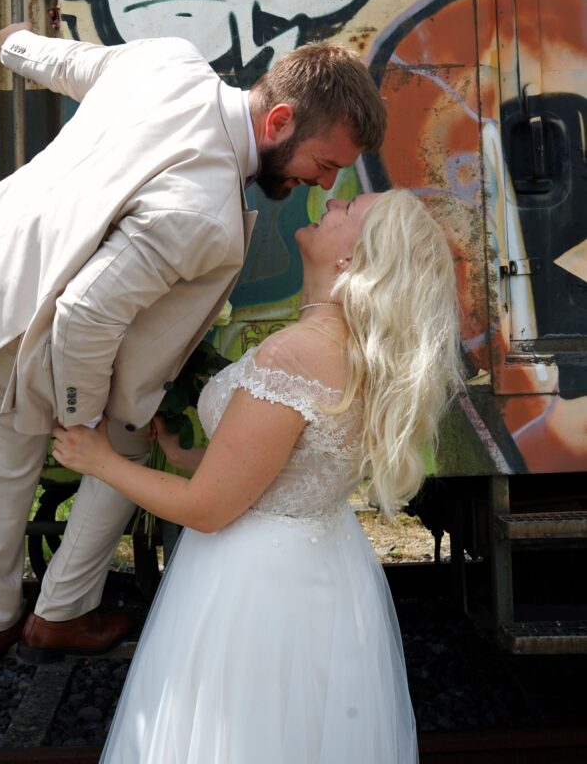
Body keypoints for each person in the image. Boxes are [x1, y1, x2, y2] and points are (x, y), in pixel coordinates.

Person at [0, 26, 386, 669]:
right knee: (123, 448)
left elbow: (71, 63)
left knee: (3, 467)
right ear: (279, 121)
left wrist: (14, 44)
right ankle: (59, 617)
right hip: (52, 324)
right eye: (326, 164)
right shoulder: (203, 210)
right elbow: (85, 312)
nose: (327, 185)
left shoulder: (167, 60)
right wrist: (85, 418)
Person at [52, 188, 462, 764]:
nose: (333, 204)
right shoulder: (359, 351)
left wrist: (101, 460)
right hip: (323, 570)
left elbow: (207, 509)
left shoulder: (295, 355)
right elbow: (279, 471)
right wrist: (186, 455)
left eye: (349, 211)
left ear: (353, 259)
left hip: (254, 589)